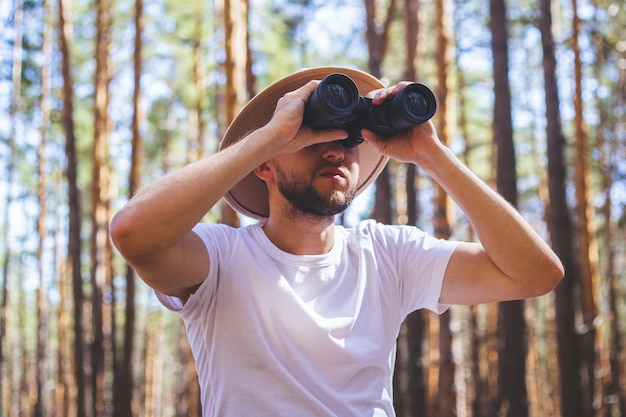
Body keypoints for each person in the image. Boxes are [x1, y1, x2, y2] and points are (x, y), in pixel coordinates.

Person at [109, 66, 564, 416]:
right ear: (264, 164)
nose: (336, 149)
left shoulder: (387, 255)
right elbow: (134, 232)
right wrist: (273, 135)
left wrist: (434, 155)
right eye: (313, 136)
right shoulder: (220, 260)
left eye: (348, 139)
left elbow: (536, 274)